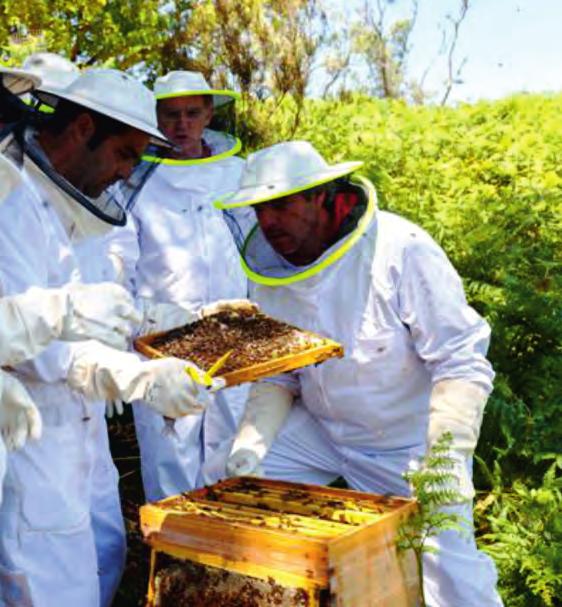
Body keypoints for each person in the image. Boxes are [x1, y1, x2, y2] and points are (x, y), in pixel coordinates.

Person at [218, 141, 504, 606]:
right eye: (258, 210)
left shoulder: (401, 249)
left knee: (450, 572)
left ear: (320, 195)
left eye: (280, 205)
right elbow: (280, 373)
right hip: (324, 432)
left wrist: (447, 453)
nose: (267, 222)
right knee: (236, 485)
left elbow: (461, 358)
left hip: (408, 444)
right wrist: (251, 442)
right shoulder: (272, 272)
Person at [0, 68, 215, 607]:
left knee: (92, 561)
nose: (124, 174)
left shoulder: (61, 205)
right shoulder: (13, 202)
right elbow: (37, 342)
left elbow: (90, 309)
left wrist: (162, 321)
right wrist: (138, 377)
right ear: (81, 130)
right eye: (123, 154)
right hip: (30, 431)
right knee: (44, 584)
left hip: (71, 425)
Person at [120, 70, 249, 500]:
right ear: (155, 117)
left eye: (192, 113)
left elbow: (258, 244)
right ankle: (177, 551)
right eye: (170, 114)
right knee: (169, 446)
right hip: (163, 330)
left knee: (229, 440)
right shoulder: (133, 177)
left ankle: (228, 550)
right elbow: (122, 259)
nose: (181, 124)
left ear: (209, 113)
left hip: (235, 327)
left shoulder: (237, 172)